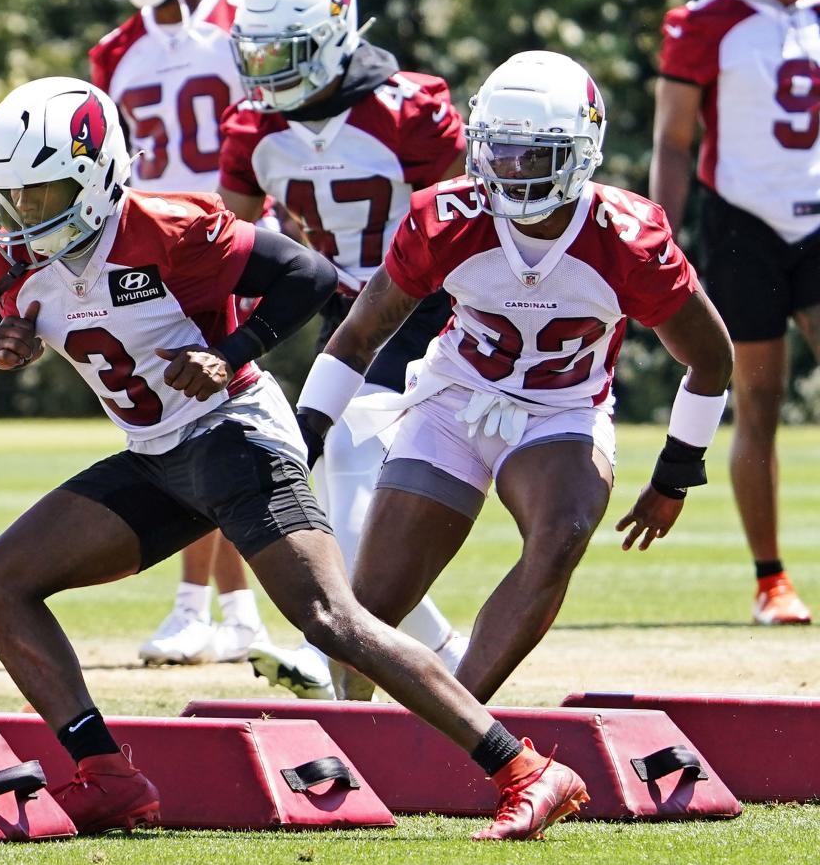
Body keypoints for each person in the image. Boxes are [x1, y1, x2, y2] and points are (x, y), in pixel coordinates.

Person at [0, 74, 590, 842]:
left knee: (330, 618)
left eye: (42, 193)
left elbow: (308, 276)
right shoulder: (13, 257)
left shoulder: (168, 227)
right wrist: (5, 340)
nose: (23, 217)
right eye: (11, 198)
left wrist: (230, 353)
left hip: (235, 435)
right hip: (156, 455)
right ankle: (107, 775)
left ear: (96, 176)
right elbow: (7, 314)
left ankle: (523, 768)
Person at [292, 50, 734, 704]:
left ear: (583, 152)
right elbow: (359, 335)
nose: (514, 170)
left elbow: (712, 357)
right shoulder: (446, 218)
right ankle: (354, 739)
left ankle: (461, 731)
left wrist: (675, 474)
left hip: (562, 413)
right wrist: (304, 435)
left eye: (536, 154)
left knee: (560, 538)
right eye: (500, 151)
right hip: (454, 400)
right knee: (368, 611)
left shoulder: (628, 239)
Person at [219, 0, 470, 698]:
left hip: (428, 313)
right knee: (338, 506)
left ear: (333, 38)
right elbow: (230, 249)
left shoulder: (409, 111)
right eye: (254, 55)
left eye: (282, 56)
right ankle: (447, 667)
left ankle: (350, 667)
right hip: (343, 320)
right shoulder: (252, 128)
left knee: (350, 499)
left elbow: (463, 231)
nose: (266, 74)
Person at [91, 0, 267, 665]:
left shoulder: (243, 20)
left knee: (218, 417)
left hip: (232, 239)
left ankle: (218, 609)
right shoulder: (115, 52)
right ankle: (220, 610)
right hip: (151, 245)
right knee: (184, 419)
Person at [650, 0, 820, 625]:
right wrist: (655, 235)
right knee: (757, 397)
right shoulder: (703, 21)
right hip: (744, 220)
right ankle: (770, 578)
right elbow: (674, 140)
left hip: (818, 216)